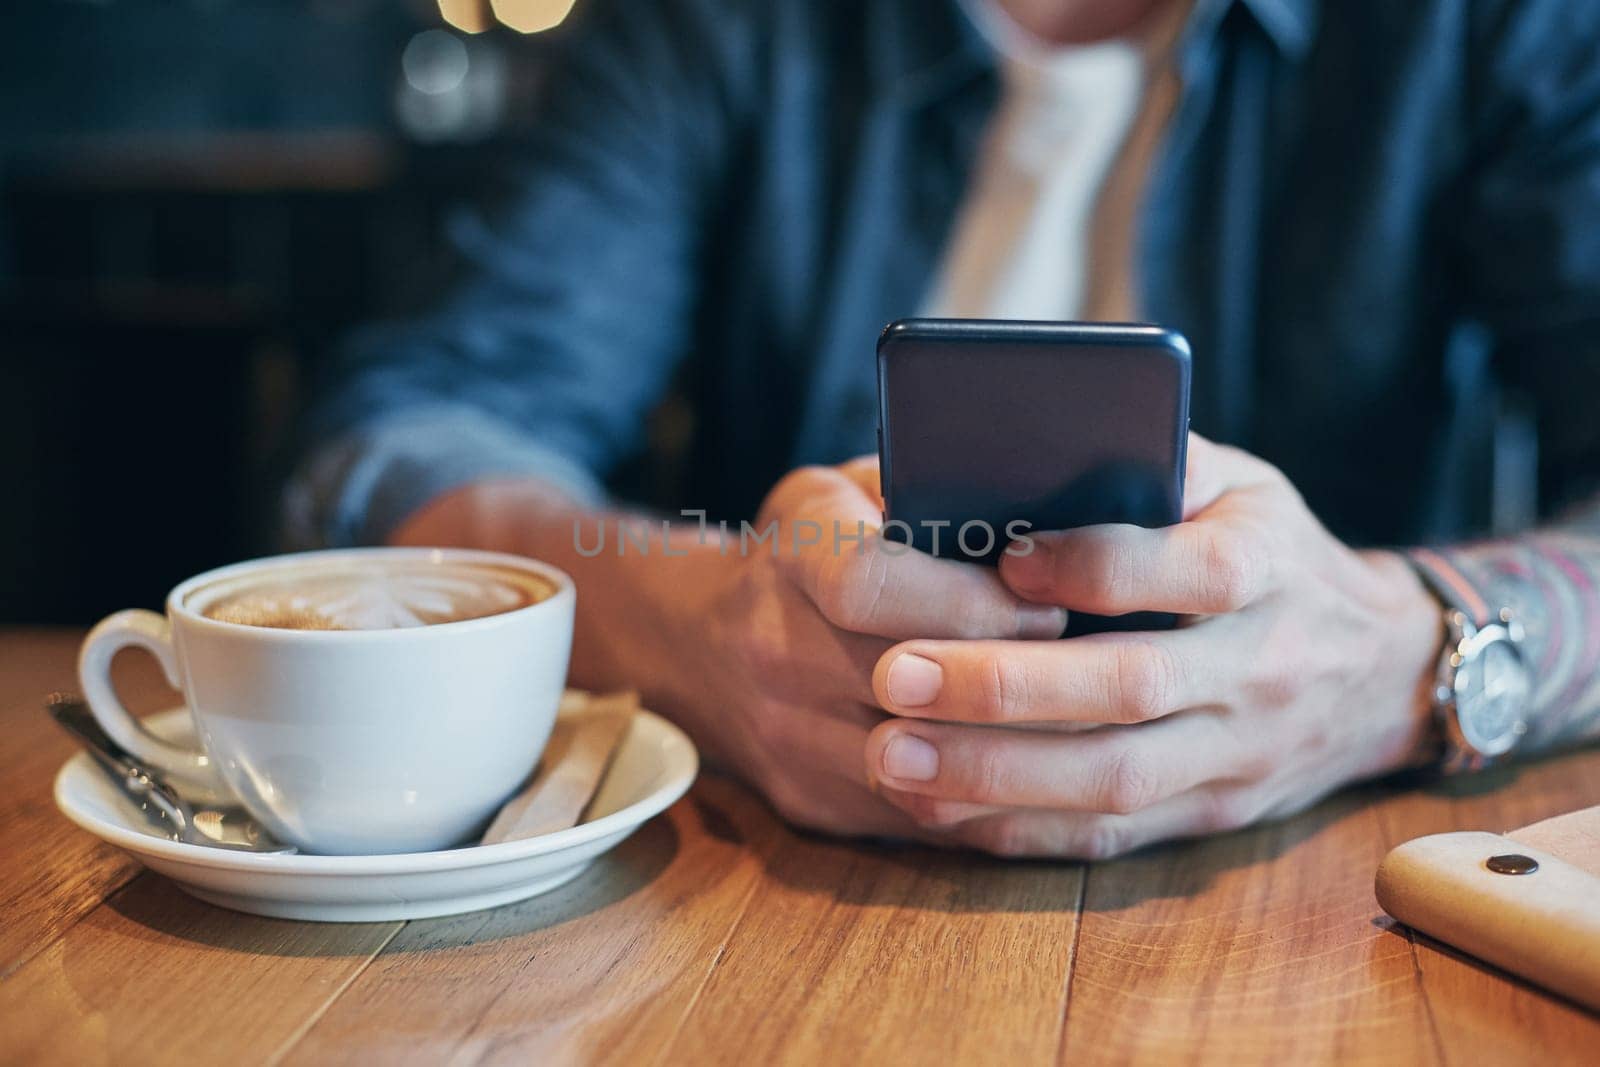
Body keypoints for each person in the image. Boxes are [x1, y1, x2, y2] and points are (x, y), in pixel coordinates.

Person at [286, 0, 1600, 857]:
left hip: (1323, 894)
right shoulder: (712, 28)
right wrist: (699, 617)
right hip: (775, 898)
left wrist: (1417, 654)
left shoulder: (1491, 28)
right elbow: (407, 438)